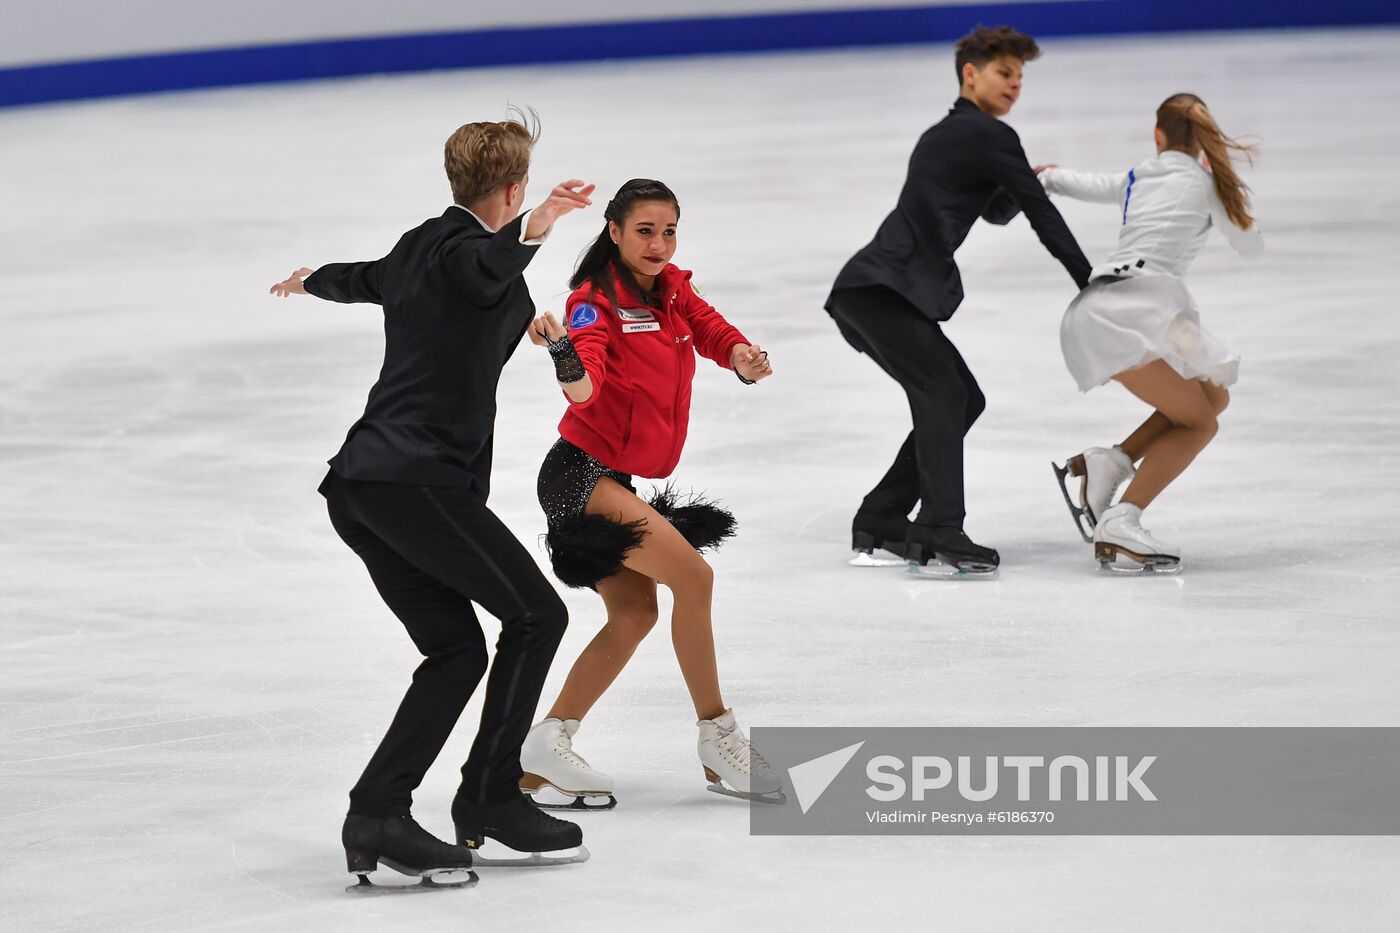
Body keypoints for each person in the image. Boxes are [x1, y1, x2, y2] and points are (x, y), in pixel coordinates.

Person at [268, 111, 596, 881]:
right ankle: (488, 796)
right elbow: (483, 267)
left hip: (363, 484)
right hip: (415, 479)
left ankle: (378, 811)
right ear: (513, 189)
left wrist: (309, 279)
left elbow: (363, 279)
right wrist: (538, 227)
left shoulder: (420, 245)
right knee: (537, 613)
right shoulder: (471, 254)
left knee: (455, 652)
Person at [516, 178, 779, 807]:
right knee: (694, 579)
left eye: (668, 231)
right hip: (580, 474)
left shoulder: (673, 292)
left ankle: (543, 752)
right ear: (613, 232)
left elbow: (713, 331)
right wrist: (561, 352)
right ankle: (718, 736)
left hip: (613, 476)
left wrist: (741, 355)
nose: (658, 243)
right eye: (644, 231)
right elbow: (584, 386)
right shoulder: (592, 302)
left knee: (635, 614)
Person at [826, 24, 1092, 578]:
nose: (1015, 85)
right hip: (884, 291)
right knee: (946, 392)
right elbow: (1041, 216)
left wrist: (1020, 185)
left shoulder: (946, 133)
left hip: (872, 291)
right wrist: (1088, 280)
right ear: (970, 74)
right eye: (1004, 73)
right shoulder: (989, 137)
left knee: (960, 398)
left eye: (1019, 76)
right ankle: (942, 527)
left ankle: (881, 517)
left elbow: (991, 208)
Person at [1043, 93, 1263, 572]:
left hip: (1107, 307)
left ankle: (1112, 462)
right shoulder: (1206, 185)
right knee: (1201, 422)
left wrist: (1047, 176)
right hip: (1129, 315)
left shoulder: (1140, 174)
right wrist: (1228, 192)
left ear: (1158, 136)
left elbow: (1087, 183)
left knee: (1212, 399)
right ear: (1201, 142)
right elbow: (1251, 246)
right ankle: (1123, 520)